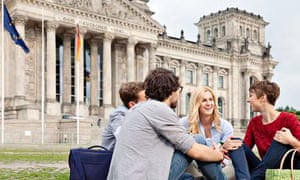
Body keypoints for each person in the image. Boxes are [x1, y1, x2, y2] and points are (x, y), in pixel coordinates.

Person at [107, 68, 225, 180]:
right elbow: (195, 151)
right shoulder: (159, 109)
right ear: (171, 91)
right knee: (198, 140)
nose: (179, 94)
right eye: (179, 89)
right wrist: (219, 155)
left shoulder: (138, 109)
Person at [180, 86, 250, 180]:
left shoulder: (225, 126)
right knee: (196, 143)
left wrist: (218, 152)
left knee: (235, 142)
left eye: (211, 99)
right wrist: (215, 152)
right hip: (194, 168)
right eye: (204, 100)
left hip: (220, 168)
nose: (209, 104)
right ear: (196, 103)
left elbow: (225, 158)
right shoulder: (183, 124)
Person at [242, 80, 300, 179]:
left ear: (262, 98)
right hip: (266, 170)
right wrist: (223, 150)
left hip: (287, 170)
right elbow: (244, 150)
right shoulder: (254, 123)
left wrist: (291, 141)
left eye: (251, 96)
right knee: (238, 144)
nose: (248, 100)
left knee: (281, 137)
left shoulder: (289, 119)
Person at [101, 81, 146, 151]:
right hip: (111, 159)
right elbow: (125, 138)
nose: (149, 103)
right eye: (145, 100)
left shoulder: (136, 114)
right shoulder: (119, 115)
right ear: (132, 104)